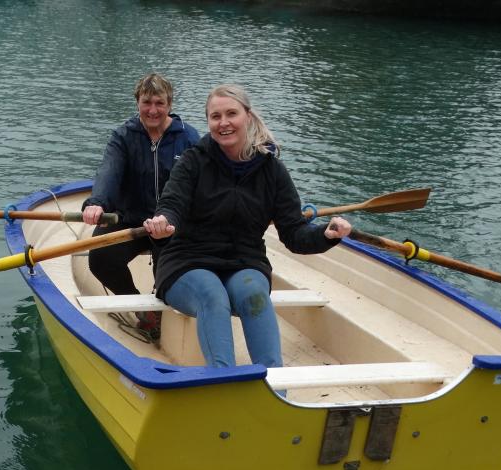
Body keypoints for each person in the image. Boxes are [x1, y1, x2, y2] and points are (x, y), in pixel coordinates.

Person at [143, 84, 352, 369]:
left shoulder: (272, 170)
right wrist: (164, 223)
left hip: (244, 262)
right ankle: (223, 383)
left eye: (231, 114)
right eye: (215, 117)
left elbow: (294, 233)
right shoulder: (193, 161)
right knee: (212, 295)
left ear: (248, 117)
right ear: (208, 122)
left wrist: (325, 234)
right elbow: (172, 204)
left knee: (255, 295)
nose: (224, 123)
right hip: (186, 262)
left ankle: (275, 388)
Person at [81, 73, 200, 340]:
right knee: (100, 258)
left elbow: (202, 182)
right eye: (147, 102)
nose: (153, 110)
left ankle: (164, 307)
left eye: (159, 103)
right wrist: (97, 203)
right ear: (137, 103)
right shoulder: (123, 136)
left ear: (170, 104)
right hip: (131, 219)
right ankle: (140, 307)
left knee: (170, 272)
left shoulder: (189, 138)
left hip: (172, 223)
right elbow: (109, 172)